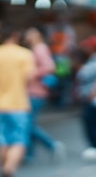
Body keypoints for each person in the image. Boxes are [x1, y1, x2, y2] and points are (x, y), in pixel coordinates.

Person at [0, 24, 35, 177]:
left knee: (2, 140)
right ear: (15, 35)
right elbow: (29, 77)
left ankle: (4, 165)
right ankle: (8, 170)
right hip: (18, 103)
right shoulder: (24, 54)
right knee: (19, 141)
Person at [24, 27, 66, 162]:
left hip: (35, 92)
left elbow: (50, 67)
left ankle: (52, 145)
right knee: (29, 123)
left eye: (30, 32)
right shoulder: (37, 48)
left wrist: (32, 73)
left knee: (28, 124)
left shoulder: (39, 49)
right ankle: (29, 154)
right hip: (34, 91)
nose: (27, 34)